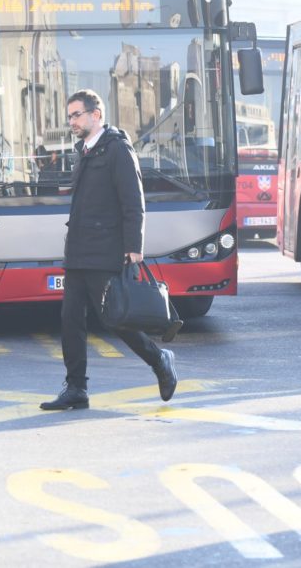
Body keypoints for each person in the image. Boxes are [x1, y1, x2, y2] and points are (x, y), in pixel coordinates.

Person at [40, 89, 182, 410]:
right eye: (70, 116)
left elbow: (134, 201)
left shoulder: (117, 149)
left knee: (115, 319)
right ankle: (76, 388)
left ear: (96, 115)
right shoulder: (84, 151)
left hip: (105, 250)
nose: (72, 121)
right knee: (70, 320)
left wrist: (134, 247)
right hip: (78, 250)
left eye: (77, 115)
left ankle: (159, 359)